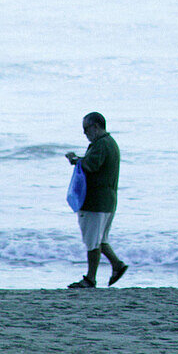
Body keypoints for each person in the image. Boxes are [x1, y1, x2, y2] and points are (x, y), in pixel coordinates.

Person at [65, 112, 128, 288]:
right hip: (108, 201)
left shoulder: (101, 145)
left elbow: (90, 165)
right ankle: (117, 265)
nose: (84, 133)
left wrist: (74, 159)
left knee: (92, 241)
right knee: (100, 240)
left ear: (96, 126)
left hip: (96, 202)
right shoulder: (109, 143)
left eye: (86, 129)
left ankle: (90, 279)